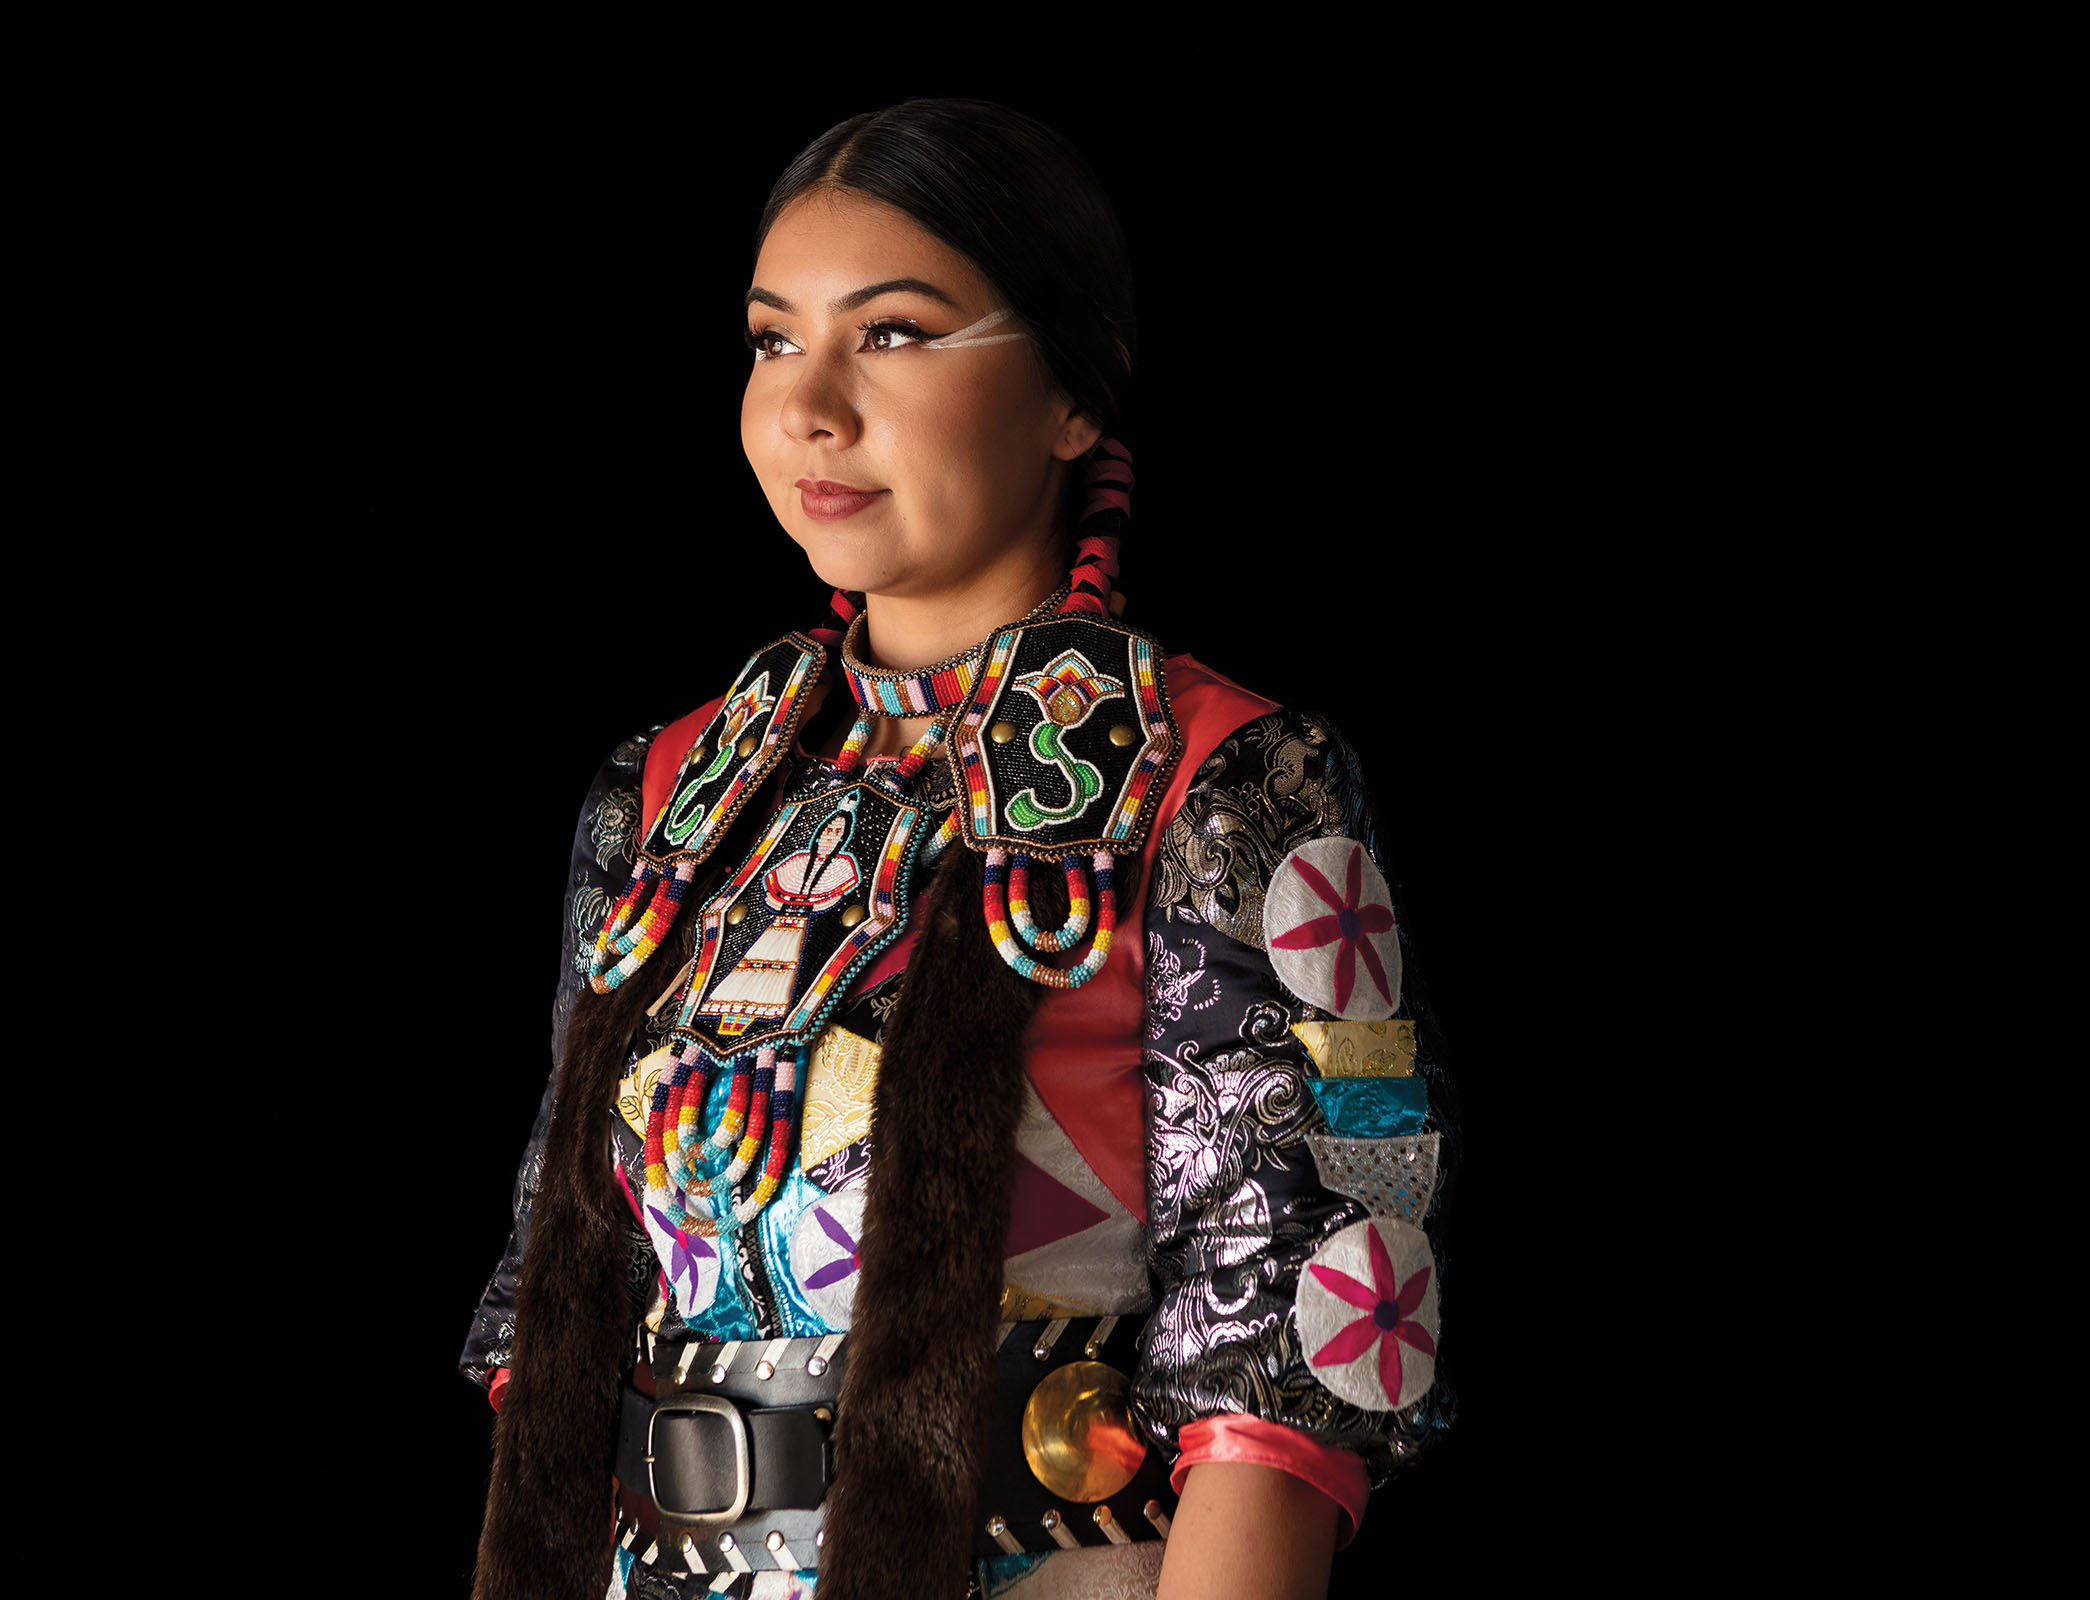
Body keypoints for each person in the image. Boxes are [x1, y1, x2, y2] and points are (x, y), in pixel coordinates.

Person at [462, 99, 1457, 1600]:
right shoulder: (673, 788)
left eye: (898, 335)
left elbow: (1294, 1338)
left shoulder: (1223, 780)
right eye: (772, 339)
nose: (811, 406)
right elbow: (551, 1292)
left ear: (1073, 396)